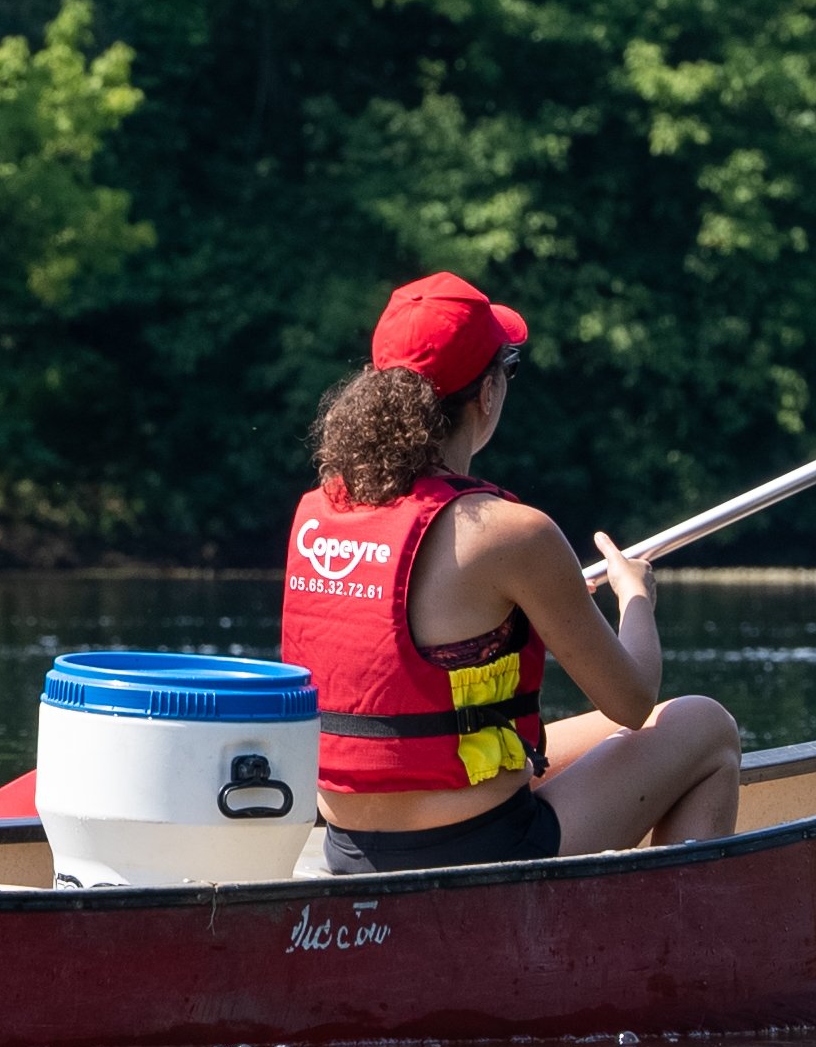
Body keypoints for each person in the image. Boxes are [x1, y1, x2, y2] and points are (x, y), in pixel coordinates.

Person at [277, 272, 741, 874]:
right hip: (480, 848)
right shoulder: (509, 531)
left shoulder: (321, 510)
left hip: (350, 848)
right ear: (488, 394)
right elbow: (632, 699)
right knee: (704, 726)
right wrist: (634, 598)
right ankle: (678, 949)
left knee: (586, 739)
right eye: (508, 368)